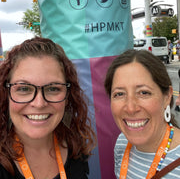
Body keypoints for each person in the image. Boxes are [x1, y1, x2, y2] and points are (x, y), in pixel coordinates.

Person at [0, 37, 96, 179]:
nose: (39, 103)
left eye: (52, 88)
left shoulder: (75, 148)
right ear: (6, 93)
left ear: (68, 95)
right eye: (24, 88)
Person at [104, 49, 180, 179]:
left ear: (167, 96)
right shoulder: (122, 143)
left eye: (144, 93)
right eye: (120, 94)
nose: (131, 108)